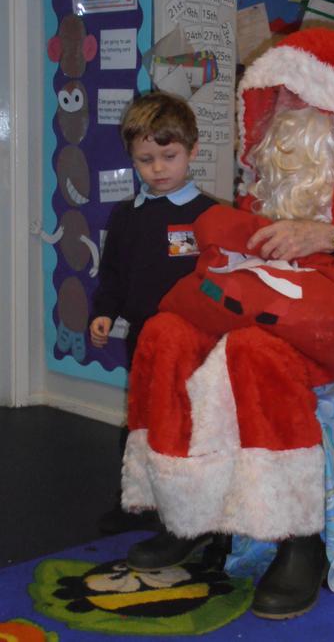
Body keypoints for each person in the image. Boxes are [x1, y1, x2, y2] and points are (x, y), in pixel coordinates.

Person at [120, 28, 334, 619]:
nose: (285, 109)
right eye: (278, 96)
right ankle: (186, 513)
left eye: (298, 94)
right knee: (166, 334)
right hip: (268, 295)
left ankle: (300, 538)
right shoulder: (277, 161)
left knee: (255, 350)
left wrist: (333, 238)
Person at [89, 90, 218, 533]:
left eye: (169, 156)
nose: (158, 168)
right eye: (146, 160)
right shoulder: (126, 216)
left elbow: (223, 281)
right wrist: (104, 313)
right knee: (140, 419)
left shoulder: (209, 215)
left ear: (192, 151)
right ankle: (133, 501)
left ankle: (188, 507)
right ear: (132, 158)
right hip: (143, 338)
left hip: (195, 343)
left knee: (188, 421)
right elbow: (113, 275)